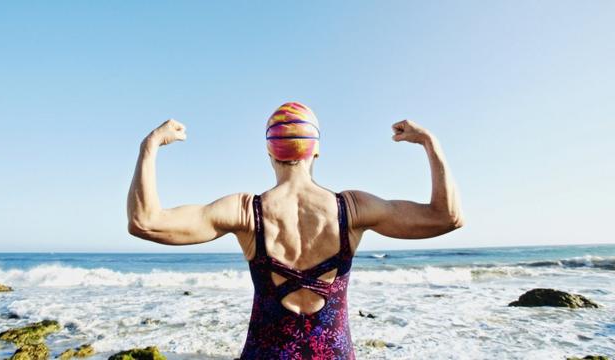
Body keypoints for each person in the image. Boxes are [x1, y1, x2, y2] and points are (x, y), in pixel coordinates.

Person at [126, 102, 464, 359]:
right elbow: (446, 217)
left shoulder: (246, 212)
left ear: (269, 150)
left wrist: (150, 146)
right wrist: (430, 143)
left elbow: (145, 222)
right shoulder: (353, 208)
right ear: (316, 149)